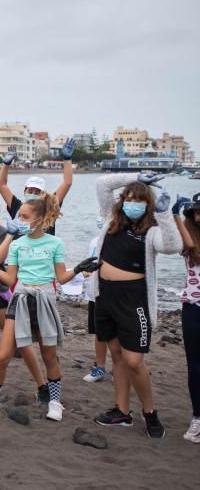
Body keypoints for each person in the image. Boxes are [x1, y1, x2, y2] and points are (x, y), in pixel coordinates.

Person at [0, 193, 98, 421]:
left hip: (44, 301)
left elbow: (60, 277)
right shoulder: (17, 245)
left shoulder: (55, 243)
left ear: (39, 219)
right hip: (20, 300)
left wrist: (79, 268)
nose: (20, 220)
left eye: (24, 216)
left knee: (49, 356)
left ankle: (55, 401)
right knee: (2, 356)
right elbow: (11, 280)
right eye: (19, 216)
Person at [91, 173, 180, 438]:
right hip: (105, 295)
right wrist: (137, 176)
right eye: (128, 198)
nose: (132, 203)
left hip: (133, 300)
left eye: (139, 200)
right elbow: (102, 184)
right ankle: (122, 411)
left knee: (134, 360)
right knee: (116, 355)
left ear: (147, 204)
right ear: (122, 201)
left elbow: (173, 246)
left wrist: (165, 214)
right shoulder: (110, 219)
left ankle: (150, 412)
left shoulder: (151, 231)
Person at [0, 139, 75, 235]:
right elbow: (2, 185)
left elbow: (67, 183)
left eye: (37, 192)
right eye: (30, 191)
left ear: (43, 194)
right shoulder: (17, 207)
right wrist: (6, 164)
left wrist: (67, 159)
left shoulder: (50, 208)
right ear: (25, 191)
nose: (33, 194)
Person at [174, 193, 200, 443]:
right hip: (193, 306)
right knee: (194, 365)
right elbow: (188, 245)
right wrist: (173, 214)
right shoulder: (189, 241)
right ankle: (197, 417)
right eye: (197, 212)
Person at [83, 217, 109, 383]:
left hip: (113, 293)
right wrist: (85, 272)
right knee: (99, 333)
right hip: (94, 293)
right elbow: (90, 265)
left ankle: (120, 366)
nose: (101, 218)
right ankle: (99, 367)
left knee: (116, 334)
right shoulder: (95, 241)